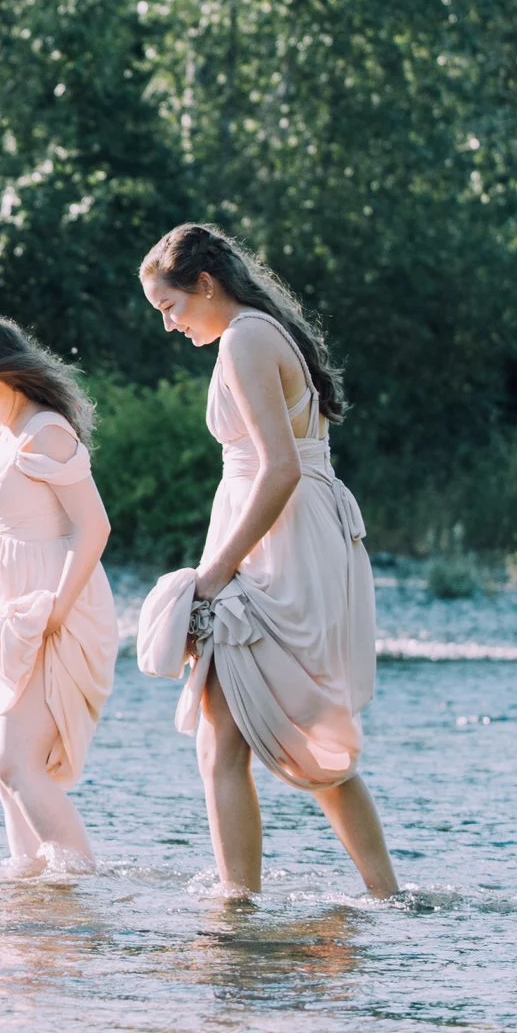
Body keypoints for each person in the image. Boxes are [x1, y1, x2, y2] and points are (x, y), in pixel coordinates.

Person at [139, 222, 399, 897]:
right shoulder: (260, 331)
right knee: (282, 727)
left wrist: (215, 573)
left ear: (204, 283)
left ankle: (237, 910)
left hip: (275, 543)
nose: (169, 326)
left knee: (232, 738)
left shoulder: (247, 339)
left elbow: (277, 468)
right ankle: (385, 898)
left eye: (170, 307)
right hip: (292, 534)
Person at [0, 317, 118, 875]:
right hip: (16, 616)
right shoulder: (6, 431)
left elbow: (95, 526)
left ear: (10, 374)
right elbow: (16, 512)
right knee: (2, 760)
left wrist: (56, 611)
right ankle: (30, 887)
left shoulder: (46, 432)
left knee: (17, 763)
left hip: (53, 608)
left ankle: (78, 885)